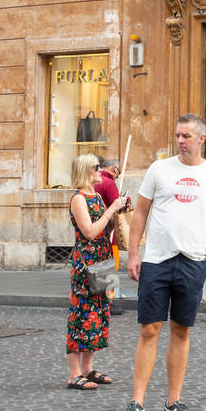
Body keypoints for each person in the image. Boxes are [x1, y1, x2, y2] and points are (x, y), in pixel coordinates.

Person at [116, 115, 206, 411]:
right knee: (150, 329)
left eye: (187, 136)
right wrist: (134, 254)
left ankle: (173, 402)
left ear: (201, 139)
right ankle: (136, 403)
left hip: (192, 262)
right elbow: (140, 212)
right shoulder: (159, 169)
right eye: (178, 135)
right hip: (156, 261)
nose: (181, 141)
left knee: (181, 330)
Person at [66, 154, 129, 390]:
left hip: (103, 259)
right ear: (85, 171)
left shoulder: (95, 196)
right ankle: (74, 374)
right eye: (96, 168)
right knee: (81, 314)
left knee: (98, 312)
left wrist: (118, 211)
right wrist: (110, 209)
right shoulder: (79, 199)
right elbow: (90, 232)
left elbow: (107, 227)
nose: (100, 171)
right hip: (86, 263)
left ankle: (88, 369)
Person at [95, 157, 125, 315]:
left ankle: (98, 301)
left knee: (98, 268)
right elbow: (118, 208)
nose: (118, 175)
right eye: (118, 172)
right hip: (109, 232)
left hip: (95, 233)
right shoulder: (108, 183)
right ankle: (108, 302)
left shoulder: (93, 183)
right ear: (113, 169)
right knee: (110, 269)